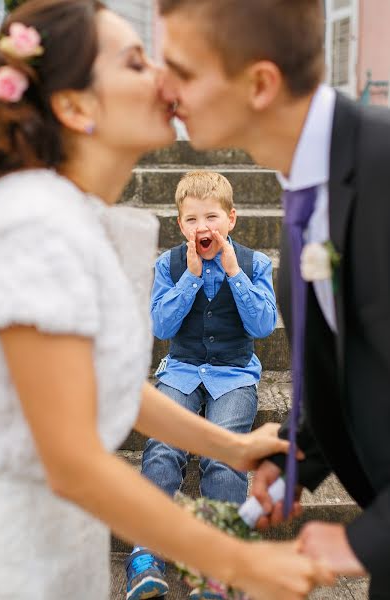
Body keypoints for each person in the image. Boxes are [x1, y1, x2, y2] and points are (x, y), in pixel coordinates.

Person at [0, 1, 334, 599]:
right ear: (74, 106)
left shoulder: (72, 216)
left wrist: (235, 445)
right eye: (137, 62)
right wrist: (238, 563)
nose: (166, 77)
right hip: (13, 559)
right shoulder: (33, 226)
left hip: (59, 546)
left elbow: (107, 385)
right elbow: (74, 461)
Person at [157, 0, 390, 598]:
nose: (165, 87)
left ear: (259, 83)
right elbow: (353, 362)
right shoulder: (307, 181)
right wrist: (295, 463)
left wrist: (364, 541)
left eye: (182, 69)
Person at [125, 170, 277, 599]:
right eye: (191, 220)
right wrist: (191, 277)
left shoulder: (255, 263)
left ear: (231, 219)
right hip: (181, 369)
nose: (202, 227)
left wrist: (232, 273)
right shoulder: (170, 264)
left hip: (232, 374)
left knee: (224, 450)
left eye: (211, 217)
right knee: (162, 447)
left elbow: (264, 326)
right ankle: (145, 552)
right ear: (180, 225)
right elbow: (160, 324)